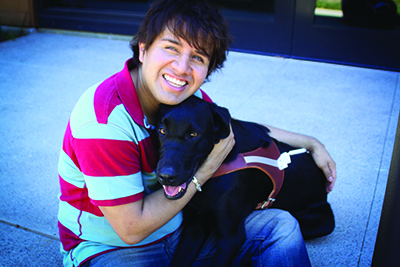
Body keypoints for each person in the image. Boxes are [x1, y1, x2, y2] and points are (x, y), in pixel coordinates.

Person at [57, 0, 337, 266]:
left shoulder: (180, 94)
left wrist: (311, 144)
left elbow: (232, 124)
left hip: (182, 230)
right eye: (171, 48)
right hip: (114, 251)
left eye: (197, 57)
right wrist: (205, 171)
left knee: (283, 226)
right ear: (143, 49)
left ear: (208, 69)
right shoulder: (104, 122)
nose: (181, 68)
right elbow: (132, 230)